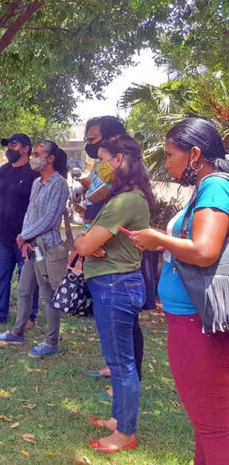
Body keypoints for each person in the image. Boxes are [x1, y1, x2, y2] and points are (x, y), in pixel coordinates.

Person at [129, 118, 229, 464]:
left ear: (195, 154)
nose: (167, 161)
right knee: (208, 424)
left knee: (216, 426)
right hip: (189, 321)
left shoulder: (215, 186)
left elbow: (204, 251)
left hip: (196, 324)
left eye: (171, 154)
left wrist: (159, 240)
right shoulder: (207, 187)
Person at [73, 135, 153, 453]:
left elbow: (85, 244)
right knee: (119, 361)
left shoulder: (125, 200)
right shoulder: (127, 197)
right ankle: (119, 420)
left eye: (102, 157)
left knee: (121, 365)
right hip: (117, 284)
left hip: (115, 286)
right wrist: (91, 242)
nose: (98, 165)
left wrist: (86, 242)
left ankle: (125, 433)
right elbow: (93, 242)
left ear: (119, 159)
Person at [0, 141, 69, 358]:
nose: (33, 157)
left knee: (47, 295)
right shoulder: (37, 182)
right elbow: (29, 213)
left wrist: (25, 235)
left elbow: (49, 218)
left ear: (50, 158)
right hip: (32, 246)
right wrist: (24, 238)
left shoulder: (59, 184)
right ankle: (17, 331)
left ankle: (51, 342)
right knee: (24, 290)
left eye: (37, 154)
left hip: (47, 247)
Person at [0, 133, 40, 324]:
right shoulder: (3, 170)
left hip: (27, 236)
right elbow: (1, 196)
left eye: (13, 145)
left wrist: (30, 235)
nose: (9, 149)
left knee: (28, 278)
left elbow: (39, 204)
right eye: (8, 145)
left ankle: (28, 317)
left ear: (26, 148)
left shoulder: (35, 173)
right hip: (2, 234)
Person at [80, 116, 127, 224]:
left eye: (92, 139)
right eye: (87, 140)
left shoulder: (131, 168)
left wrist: (91, 213)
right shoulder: (101, 165)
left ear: (112, 138)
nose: (90, 144)